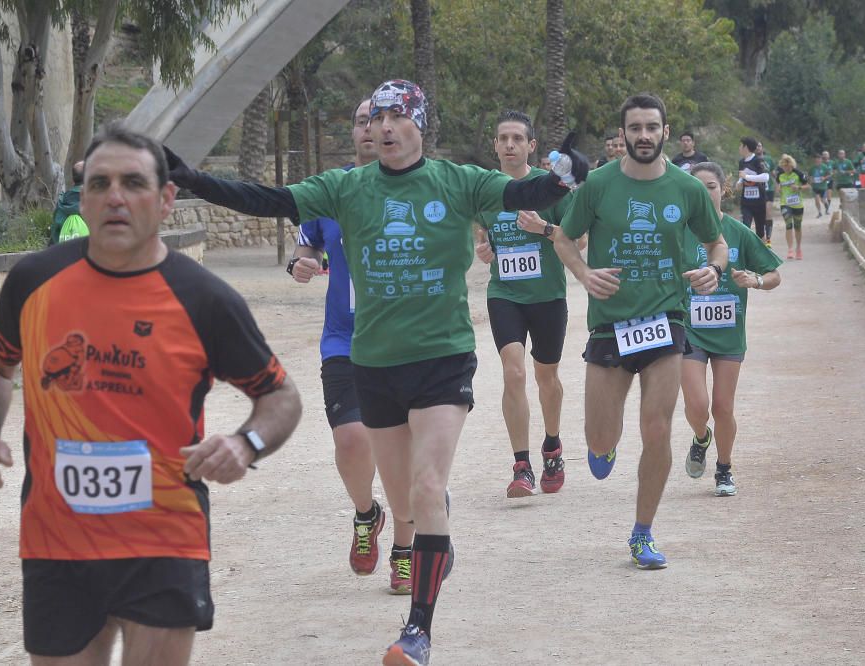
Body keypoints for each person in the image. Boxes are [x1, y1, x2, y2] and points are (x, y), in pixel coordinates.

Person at [165, 79, 588, 666]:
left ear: (419, 123)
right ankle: (420, 536)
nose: (385, 126)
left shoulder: (458, 181)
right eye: (378, 116)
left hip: (442, 358)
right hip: (373, 362)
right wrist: (193, 179)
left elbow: (527, 191)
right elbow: (269, 200)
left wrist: (568, 176)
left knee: (426, 486)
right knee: (405, 504)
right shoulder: (345, 188)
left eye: (398, 116)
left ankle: (417, 631)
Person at [0, 124, 303, 665]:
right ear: (85, 198)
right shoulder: (35, 280)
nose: (115, 197)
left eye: (133, 183)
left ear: (167, 199)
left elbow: (280, 396)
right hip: (58, 538)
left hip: (163, 534)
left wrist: (246, 445)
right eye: (99, 184)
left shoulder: (204, 299)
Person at [553, 93, 727, 570]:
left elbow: (717, 243)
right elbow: (564, 237)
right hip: (610, 324)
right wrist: (584, 274)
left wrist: (713, 269)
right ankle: (602, 446)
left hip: (664, 320)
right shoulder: (599, 186)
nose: (644, 136)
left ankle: (642, 532)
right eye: (636, 128)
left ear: (665, 132)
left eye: (652, 127)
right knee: (599, 435)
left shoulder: (686, 189)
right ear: (624, 134)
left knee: (658, 427)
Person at [288, 98, 417, 593]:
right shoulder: (331, 190)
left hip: (407, 340)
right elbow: (307, 245)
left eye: (382, 120)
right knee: (351, 439)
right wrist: (301, 263)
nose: (372, 128)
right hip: (344, 338)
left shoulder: (415, 185)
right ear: (354, 131)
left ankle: (405, 549)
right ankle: (367, 514)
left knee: (401, 454)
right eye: (363, 120)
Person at [471, 110, 577, 498]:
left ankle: (552, 446)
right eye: (503, 139)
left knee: (546, 377)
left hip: (548, 296)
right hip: (505, 295)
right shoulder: (486, 187)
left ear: (531, 146)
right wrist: (482, 247)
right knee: (513, 373)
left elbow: (576, 240)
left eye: (518, 138)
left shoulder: (548, 187)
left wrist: (542, 229)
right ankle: (522, 465)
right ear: (495, 146)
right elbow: (481, 228)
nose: (510, 145)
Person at [681, 162, 782, 496]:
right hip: (688, 330)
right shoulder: (677, 231)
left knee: (723, 406)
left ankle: (724, 469)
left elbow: (774, 275)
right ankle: (700, 437)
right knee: (698, 405)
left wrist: (754, 280)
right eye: (697, 187)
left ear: (723, 189)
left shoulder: (739, 232)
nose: (705, 193)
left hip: (728, 334)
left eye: (711, 186)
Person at [735, 137, 769, 241]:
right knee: (745, 228)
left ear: (746, 147)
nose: (739, 148)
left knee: (760, 232)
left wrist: (747, 177)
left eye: (741, 145)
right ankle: (747, 254)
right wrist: (739, 183)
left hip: (759, 201)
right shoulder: (741, 162)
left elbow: (765, 177)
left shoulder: (758, 160)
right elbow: (742, 176)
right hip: (746, 202)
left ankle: (763, 253)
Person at [776, 154, 808, 260]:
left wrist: (798, 187)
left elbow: (807, 186)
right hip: (785, 203)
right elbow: (778, 185)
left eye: (788, 166)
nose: (786, 168)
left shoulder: (798, 174)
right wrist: (778, 189)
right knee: (788, 224)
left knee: (797, 227)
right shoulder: (780, 175)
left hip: (798, 204)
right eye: (784, 166)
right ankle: (790, 249)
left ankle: (798, 248)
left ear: (792, 165)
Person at [50, 161, 85, 245]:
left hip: (63, 254)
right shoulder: (96, 203)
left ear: (73, 179)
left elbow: (54, 234)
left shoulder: (61, 202)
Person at [756, 142, 776, 247]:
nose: (757, 148)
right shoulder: (752, 160)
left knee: (768, 213)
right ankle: (760, 238)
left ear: (762, 147)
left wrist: (779, 182)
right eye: (756, 146)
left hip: (769, 189)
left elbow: (774, 173)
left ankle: (768, 239)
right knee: (759, 215)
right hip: (757, 190)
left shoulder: (769, 159)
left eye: (759, 145)